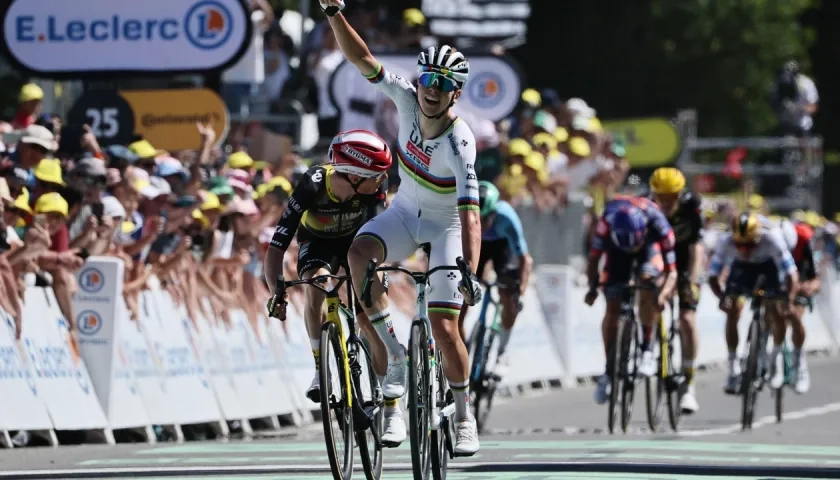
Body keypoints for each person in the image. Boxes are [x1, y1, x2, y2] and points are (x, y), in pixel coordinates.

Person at [319, 0, 484, 455]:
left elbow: (470, 214)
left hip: (446, 225)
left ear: (456, 94)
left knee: (444, 324)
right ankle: (394, 358)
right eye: (429, 80)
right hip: (405, 213)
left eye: (444, 85)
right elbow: (362, 59)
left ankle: (465, 415)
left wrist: (469, 270)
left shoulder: (459, 142)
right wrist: (334, 13)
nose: (432, 90)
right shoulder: (407, 100)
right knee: (357, 256)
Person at [262, 130, 400, 439]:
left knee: (369, 318)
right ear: (354, 175)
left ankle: (388, 402)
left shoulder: (372, 188)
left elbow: (379, 236)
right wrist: (277, 291)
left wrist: (377, 275)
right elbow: (277, 246)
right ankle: (319, 369)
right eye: (375, 176)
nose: (381, 181)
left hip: (359, 242)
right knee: (318, 286)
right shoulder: (312, 184)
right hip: (318, 243)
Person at [584, 195, 678, 405]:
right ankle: (609, 369)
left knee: (647, 282)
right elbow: (594, 259)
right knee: (612, 306)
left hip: (648, 249)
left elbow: (672, 271)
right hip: (616, 253)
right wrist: (592, 288)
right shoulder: (606, 223)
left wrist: (662, 295)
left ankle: (647, 350)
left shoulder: (657, 223)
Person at [707, 212, 799, 394]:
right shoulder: (726, 241)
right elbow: (712, 276)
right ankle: (733, 365)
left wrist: (788, 299)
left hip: (769, 267)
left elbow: (791, 274)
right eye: (739, 245)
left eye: (750, 245)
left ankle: (776, 358)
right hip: (742, 268)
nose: (745, 250)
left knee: (776, 309)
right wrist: (721, 298)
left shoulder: (772, 238)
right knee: (732, 308)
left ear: (758, 236)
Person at [459, 181, 532, 378]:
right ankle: (459, 344)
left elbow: (525, 260)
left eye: (486, 219)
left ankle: (503, 352)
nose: (482, 224)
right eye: (477, 219)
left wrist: (521, 293)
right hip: (477, 245)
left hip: (502, 247)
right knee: (462, 292)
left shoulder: (507, 217)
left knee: (509, 295)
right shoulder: (464, 214)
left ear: (494, 212)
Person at [647, 168, 704, 414]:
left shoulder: (692, 206)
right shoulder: (646, 206)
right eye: (662, 196)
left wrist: (691, 281)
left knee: (687, 318)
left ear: (681, 193)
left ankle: (689, 384)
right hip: (658, 258)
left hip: (684, 260)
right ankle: (647, 350)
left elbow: (696, 248)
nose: (667, 202)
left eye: (672, 196)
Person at [785, 218, 818, 393]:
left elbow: (815, 278)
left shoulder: (805, 241)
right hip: (777, 278)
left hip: (799, 280)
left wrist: (810, 286)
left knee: (794, 315)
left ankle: (799, 362)